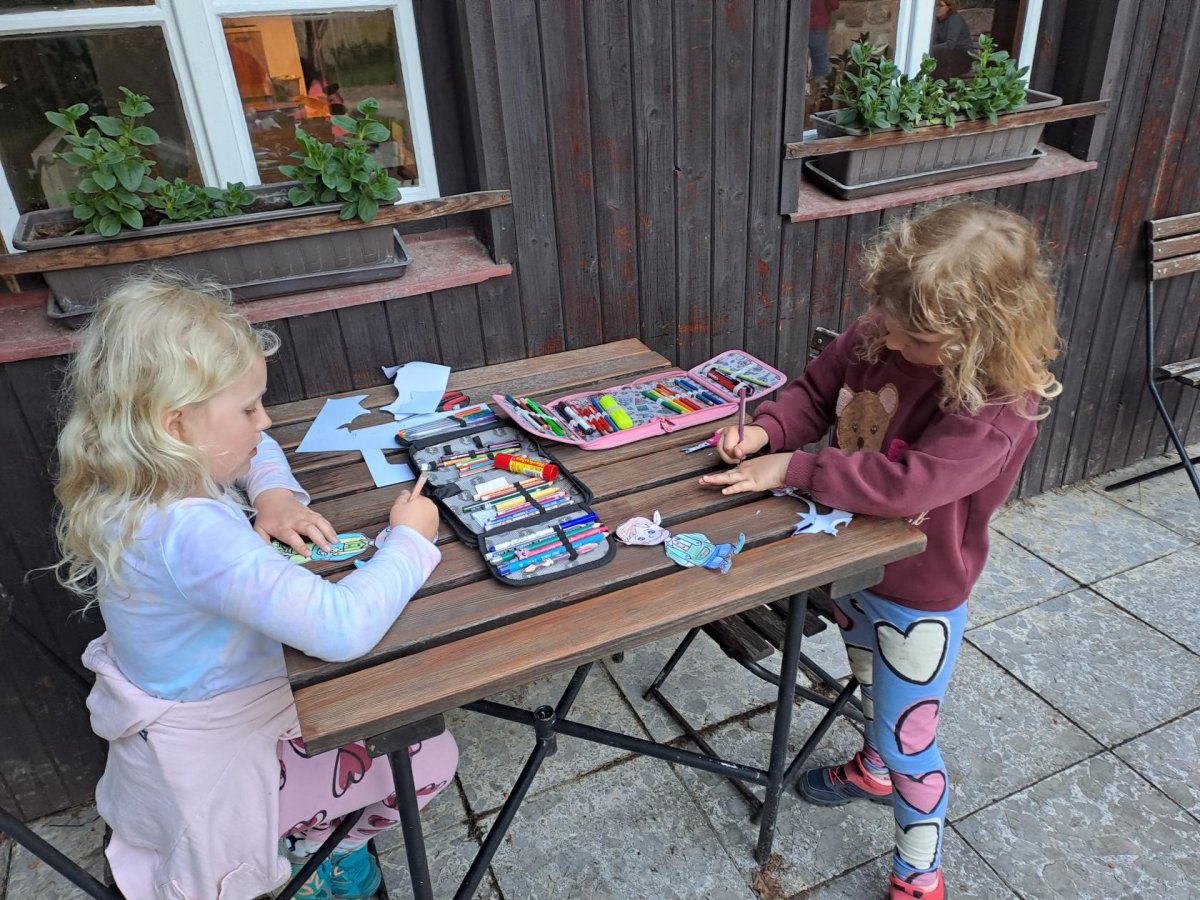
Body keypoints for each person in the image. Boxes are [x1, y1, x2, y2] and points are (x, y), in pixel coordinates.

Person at [699, 200, 1062, 900]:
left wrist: (794, 467)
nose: (887, 338)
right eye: (885, 317)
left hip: (919, 592)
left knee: (909, 740)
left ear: (978, 336)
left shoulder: (999, 406)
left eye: (912, 335)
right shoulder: (886, 328)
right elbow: (815, 393)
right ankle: (873, 770)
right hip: (852, 562)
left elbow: (909, 484)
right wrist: (767, 431)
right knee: (870, 681)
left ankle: (920, 874)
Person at [54, 275, 457, 900]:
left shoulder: (135, 475)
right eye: (248, 408)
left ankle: (309, 835)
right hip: (220, 753)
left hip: (181, 710)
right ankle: (319, 851)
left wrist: (272, 495)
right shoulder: (191, 532)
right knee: (431, 757)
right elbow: (342, 628)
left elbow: (258, 446)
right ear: (176, 424)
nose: (264, 420)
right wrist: (410, 540)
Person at [931, 0, 974, 80]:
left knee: (939, 58)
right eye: (935, 5)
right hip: (946, 56)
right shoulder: (936, 21)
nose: (937, 8)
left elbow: (950, 44)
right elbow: (933, 41)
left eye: (940, 6)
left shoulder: (955, 19)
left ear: (949, 7)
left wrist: (929, 49)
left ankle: (942, 85)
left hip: (962, 58)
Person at [809, 0, 841, 80]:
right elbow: (834, 4)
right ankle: (821, 83)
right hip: (817, 23)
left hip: (796, 24)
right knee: (820, 61)